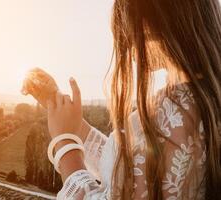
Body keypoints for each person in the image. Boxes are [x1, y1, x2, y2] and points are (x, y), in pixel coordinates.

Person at [24, 0, 221, 199]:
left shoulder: (158, 121)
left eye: (126, 27)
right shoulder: (206, 102)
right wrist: (75, 127)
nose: (124, 43)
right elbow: (129, 171)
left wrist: (65, 142)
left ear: (150, 21)